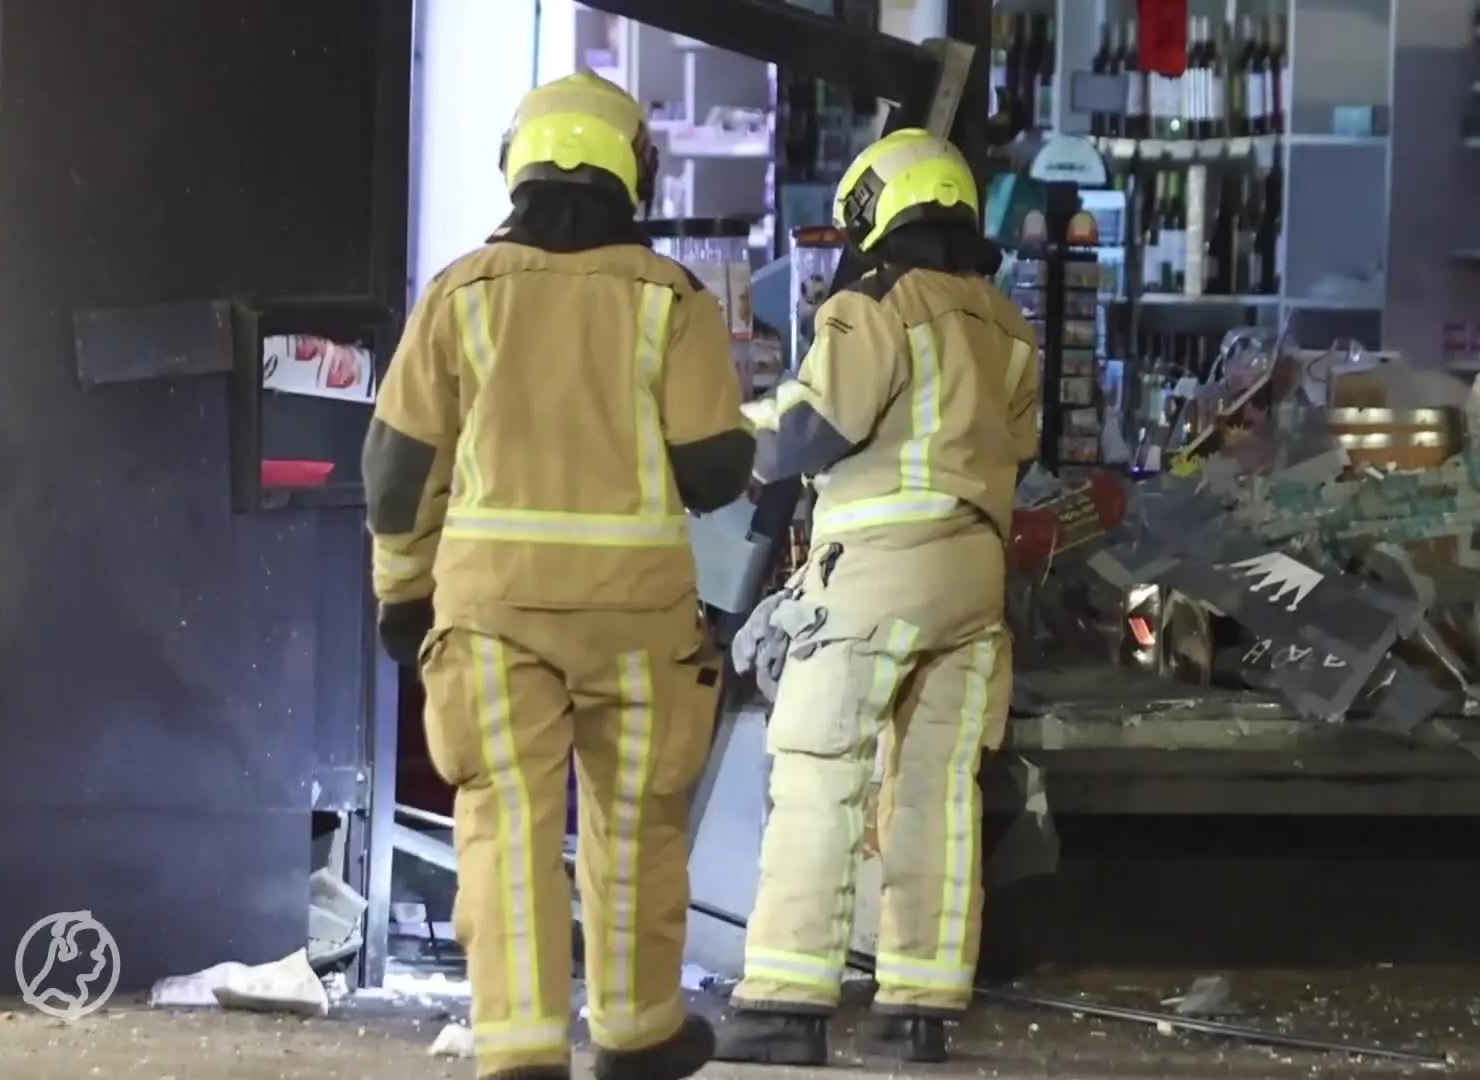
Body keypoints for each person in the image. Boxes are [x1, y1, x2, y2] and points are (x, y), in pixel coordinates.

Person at [361, 71, 754, 1080]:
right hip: (639, 622)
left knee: (506, 824)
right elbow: (715, 468)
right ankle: (635, 1035)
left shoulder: (459, 295)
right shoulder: (674, 299)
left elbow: (398, 472)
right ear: (636, 172)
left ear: (516, 167)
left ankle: (524, 1050)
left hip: (493, 618)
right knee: (636, 820)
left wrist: (402, 591)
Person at [712, 128, 1041, 1067]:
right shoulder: (1011, 326)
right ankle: (920, 1011)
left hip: (876, 576)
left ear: (877, 210)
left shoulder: (875, 306)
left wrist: (724, 435)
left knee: (821, 776)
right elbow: (1016, 450)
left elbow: (810, 429)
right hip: (975, 584)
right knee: (938, 793)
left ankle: (783, 1004)